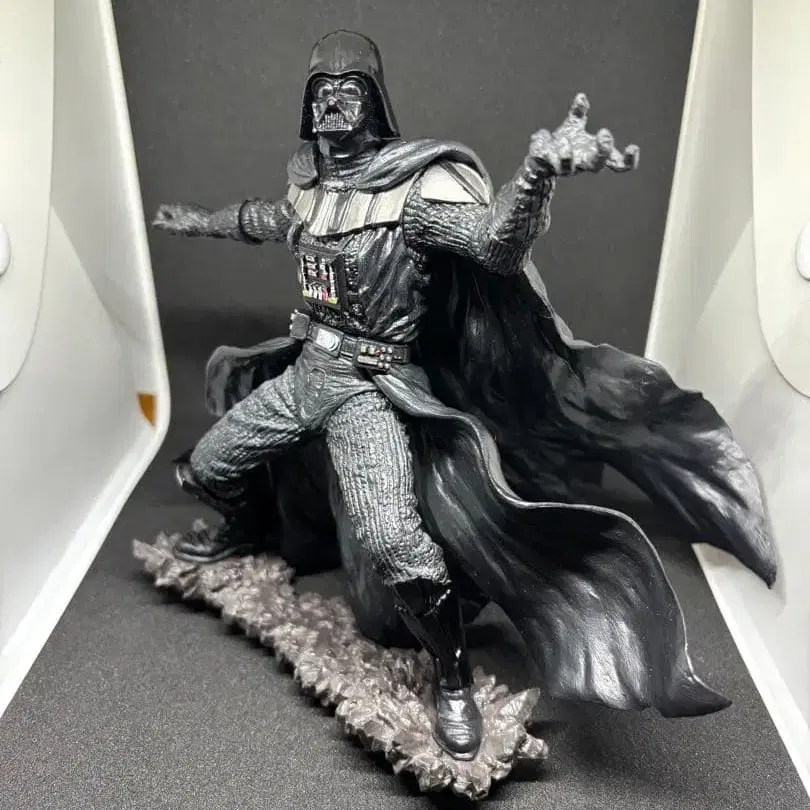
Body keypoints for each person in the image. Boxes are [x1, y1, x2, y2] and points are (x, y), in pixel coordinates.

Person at [153, 30, 775, 761]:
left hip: (365, 391)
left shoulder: (412, 195)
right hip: (304, 377)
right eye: (321, 91)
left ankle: (452, 681)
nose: (333, 103)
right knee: (207, 467)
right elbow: (263, 220)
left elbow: (493, 246)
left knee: (394, 541)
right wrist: (198, 222)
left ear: (375, 103)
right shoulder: (309, 184)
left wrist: (537, 174)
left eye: (349, 89)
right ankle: (242, 531)